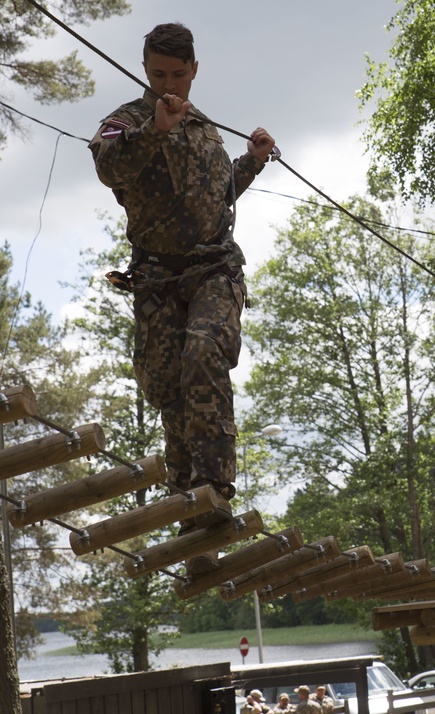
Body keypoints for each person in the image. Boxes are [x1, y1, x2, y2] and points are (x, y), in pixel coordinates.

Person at [89, 23, 276, 574]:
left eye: (176, 74)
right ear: (144, 69)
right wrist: (154, 131)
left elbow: (211, 201)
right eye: (156, 74)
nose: (167, 84)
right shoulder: (128, 121)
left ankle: (214, 497)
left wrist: (253, 161)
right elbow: (106, 165)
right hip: (156, 282)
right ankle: (192, 524)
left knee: (202, 353)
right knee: (170, 394)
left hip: (215, 270)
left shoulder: (206, 129)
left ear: (194, 70)